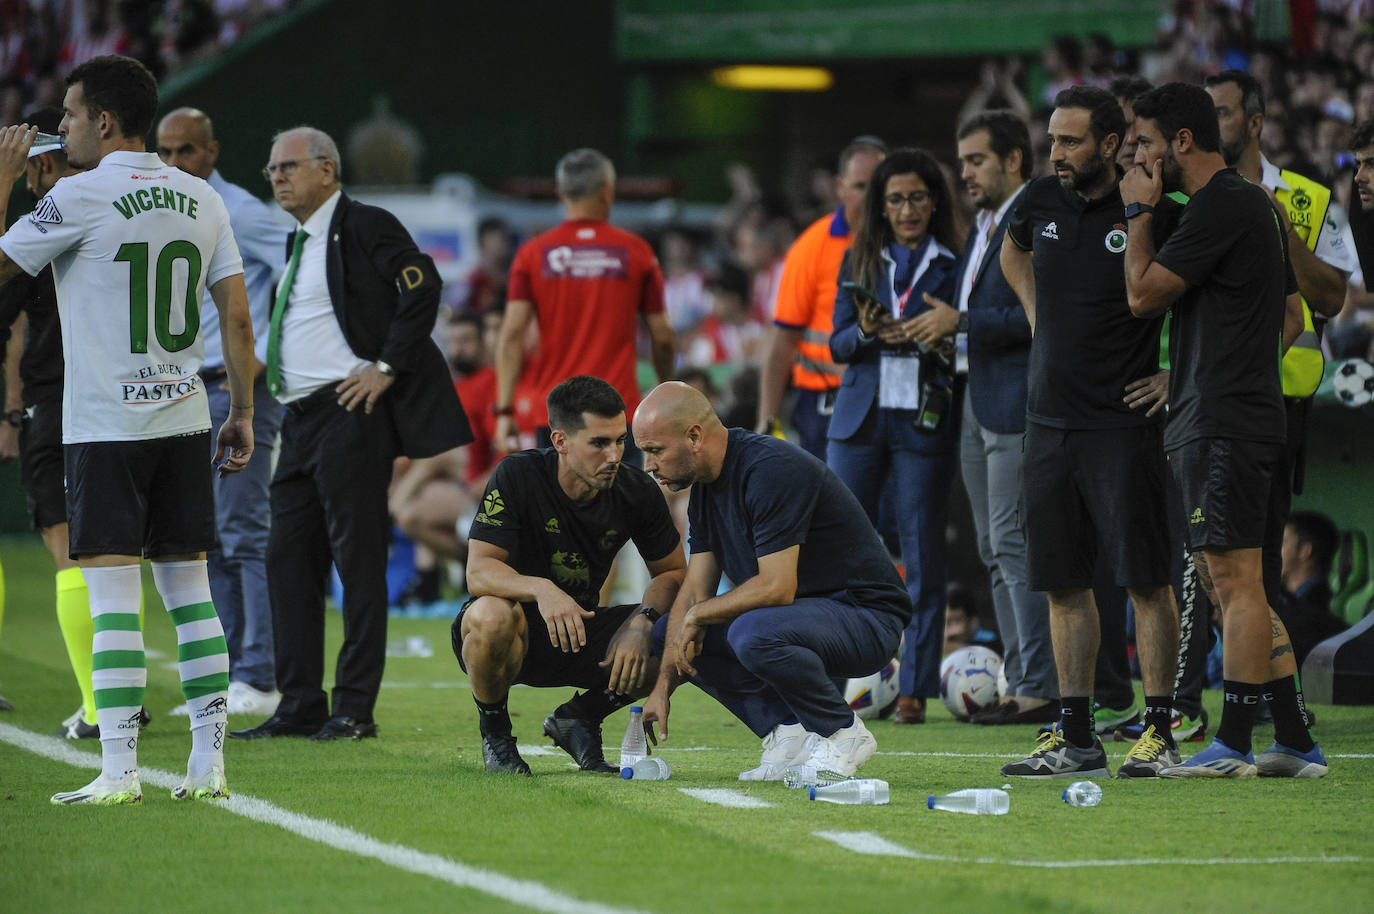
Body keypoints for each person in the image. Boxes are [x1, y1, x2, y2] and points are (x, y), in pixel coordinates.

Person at [0, 54, 257, 804]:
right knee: (191, 593)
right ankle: (208, 766)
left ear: (104, 121)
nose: (64, 130)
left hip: (105, 425)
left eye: (72, 116)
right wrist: (239, 412)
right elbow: (237, 317)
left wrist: (5, 181)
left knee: (114, 597)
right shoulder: (202, 198)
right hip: (182, 420)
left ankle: (118, 770)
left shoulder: (76, 198)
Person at [230, 126, 470, 742]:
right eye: (271, 169)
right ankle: (300, 702)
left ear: (328, 171)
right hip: (300, 419)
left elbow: (423, 284)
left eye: (288, 166)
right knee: (287, 559)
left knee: (356, 561)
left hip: (348, 411)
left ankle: (353, 707)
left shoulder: (365, 224)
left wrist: (386, 366)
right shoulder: (299, 242)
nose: (276, 176)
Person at [1123, 80, 1326, 778]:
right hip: (1230, 412)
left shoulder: (1223, 204)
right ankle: (1295, 738)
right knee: (1237, 584)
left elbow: (1142, 294)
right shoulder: (1239, 208)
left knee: (1234, 580)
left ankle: (1233, 742)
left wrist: (1137, 213)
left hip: (1224, 419)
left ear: (1182, 141)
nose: (1140, 157)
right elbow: (1290, 317)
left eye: (1147, 143)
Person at [998, 86, 1182, 779]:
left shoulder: (1151, 208)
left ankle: (1160, 730)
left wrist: (1175, 375)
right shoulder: (1039, 202)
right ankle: (1077, 737)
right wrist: (1038, 317)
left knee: (1144, 579)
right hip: (1047, 422)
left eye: (1071, 141)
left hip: (1122, 424)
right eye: (1052, 139)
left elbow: (1205, 294)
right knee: (1062, 583)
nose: (1056, 153)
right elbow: (1014, 256)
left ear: (1110, 145)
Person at [634, 381, 912, 785]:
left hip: (867, 618)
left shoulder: (769, 468)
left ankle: (843, 734)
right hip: (801, 620)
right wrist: (662, 686)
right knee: (668, 633)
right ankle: (787, 733)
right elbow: (695, 588)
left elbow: (776, 587)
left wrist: (698, 613)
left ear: (694, 436)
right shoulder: (705, 493)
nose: (648, 465)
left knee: (749, 631)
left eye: (655, 450)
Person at [452, 375, 685, 775]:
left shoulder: (635, 491)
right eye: (598, 443)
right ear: (560, 442)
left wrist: (642, 622)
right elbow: (479, 570)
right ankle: (497, 736)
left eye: (620, 440)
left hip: (581, 630)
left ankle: (579, 717)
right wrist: (542, 590)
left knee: (681, 627)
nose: (614, 455)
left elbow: (674, 572)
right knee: (490, 615)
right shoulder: (518, 476)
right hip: (513, 633)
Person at [907, 110, 1058, 726]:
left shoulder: (1038, 217)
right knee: (995, 546)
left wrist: (960, 323)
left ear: (1014, 160)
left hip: (1015, 399)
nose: (963, 173)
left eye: (976, 160)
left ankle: (1039, 685)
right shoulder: (988, 224)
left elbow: (1038, 314)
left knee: (1014, 543)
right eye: (962, 160)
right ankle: (1022, 678)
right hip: (976, 393)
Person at [156, 106, 289, 718]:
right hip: (187, 389)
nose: (175, 163)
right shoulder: (170, 209)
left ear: (212, 151)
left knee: (242, 534)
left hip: (237, 391)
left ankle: (258, 676)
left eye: (186, 151)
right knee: (208, 540)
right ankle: (231, 674)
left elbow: (297, 282)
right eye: (165, 151)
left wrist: (259, 356)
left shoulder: (240, 210)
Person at [827, 147, 959, 725]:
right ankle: (829, 678)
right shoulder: (858, 259)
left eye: (918, 198)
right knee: (835, 548)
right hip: (859, 417)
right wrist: (864, 330)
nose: (908, 210)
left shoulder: (956, 261)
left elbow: (966, 342)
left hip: (923, 415)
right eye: (896, 200)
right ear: (881, 206)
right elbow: (835, 345)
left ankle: (916, 687)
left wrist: (941, 337)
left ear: (935, 202)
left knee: (923, 551)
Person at [0, 105, 109, 739]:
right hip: (129, 397)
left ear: (38, 161)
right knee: (122, 555)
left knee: (71, 553)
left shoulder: (49, 216)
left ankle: (101, 709)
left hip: (63, 400)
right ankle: (116, 695)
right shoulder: (122, 204)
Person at [494, 148, 675, 453]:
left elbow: (512, 334)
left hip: (556, 417)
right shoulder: (637, 252)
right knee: (619, 501)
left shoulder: (533, 254)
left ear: (560, 193)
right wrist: (665, 393)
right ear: (607, 191)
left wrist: (504, 411)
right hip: (618, 415)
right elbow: (663, 337)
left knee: (557, 501)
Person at [755, 137, 886, 458]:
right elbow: (783, 340)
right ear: (839, 187)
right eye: (859, 186)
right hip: (824, 401)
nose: (870, 198)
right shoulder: (811, 247)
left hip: (889, 397)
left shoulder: (907, 242)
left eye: (878, 186)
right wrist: (767, 420)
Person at [1277, 510, 1348, 667]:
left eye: (1282, 543)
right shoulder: (1285, 602)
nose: (1273, 552)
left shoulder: (1312, 616)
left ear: (1305, 551)